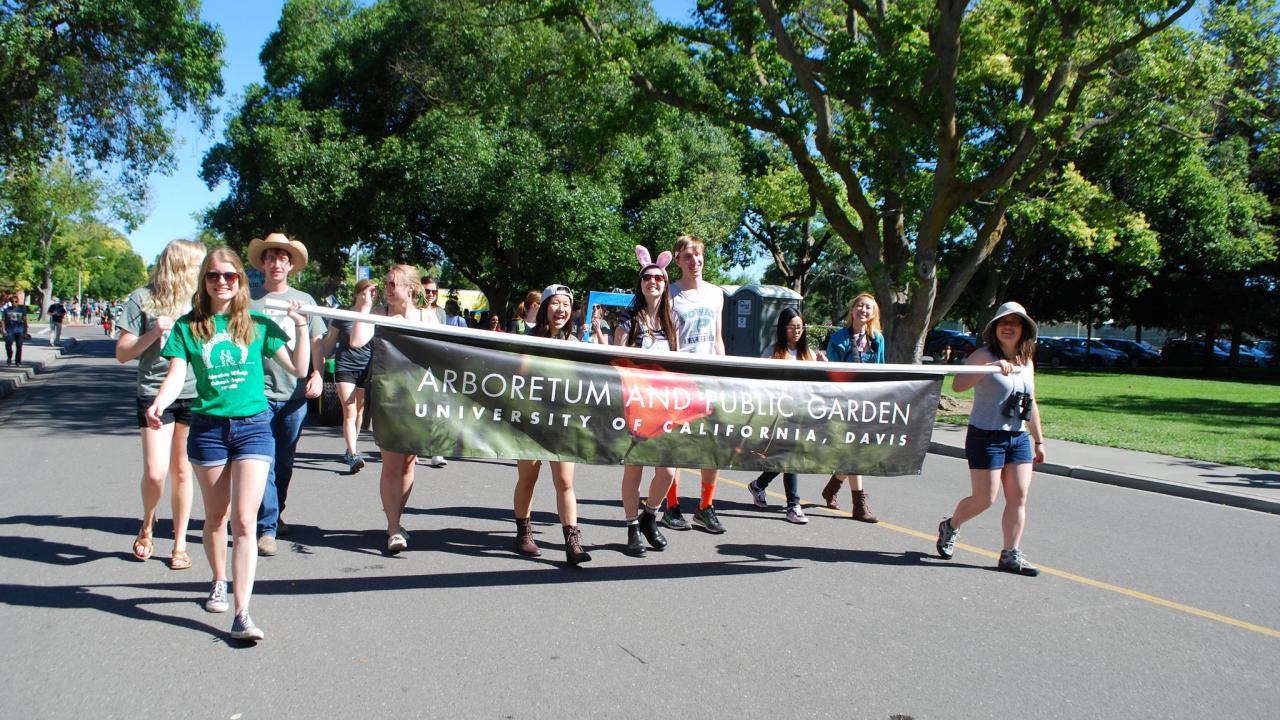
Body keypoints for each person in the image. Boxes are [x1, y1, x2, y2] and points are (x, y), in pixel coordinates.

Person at [148, 246, 311, 641]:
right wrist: (160, 402)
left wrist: (302, 328)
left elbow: (300, 368)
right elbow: (175, 375)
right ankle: (218, 579)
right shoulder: (190, 327)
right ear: (204, 281)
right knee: (216, 519)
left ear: (240, 281)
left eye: (229, 276)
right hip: (208, 428)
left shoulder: (255, 323)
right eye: (214, 276)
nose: (222, 282)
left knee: (244, 521)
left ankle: (243, 612)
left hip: (254, 425)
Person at [936, 301, 1045, 577]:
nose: (1009, 327)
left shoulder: (1026, 361)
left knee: (1019, 496)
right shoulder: (983, 356)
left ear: (1023, 329)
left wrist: (1039, 441)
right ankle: (951, 525)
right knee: (985, 498)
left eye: (1015, 323)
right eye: (1003, 323)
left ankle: (1010, 554)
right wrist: (991, 369)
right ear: (995, 328)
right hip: (985, 436)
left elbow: (1030, 402)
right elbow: (958, 386)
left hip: (1018, 437)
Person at [115, 238, 206, 570]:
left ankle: (180, 543)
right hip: (154, 393)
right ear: (179, 266)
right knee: (155, 473)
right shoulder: (142, 299)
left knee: (183, 471)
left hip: (195, 394)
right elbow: (123, 354)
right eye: (197, 265)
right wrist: (153, 333)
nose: (202, 271)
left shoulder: (201, 303)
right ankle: (148, 521)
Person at [349, 265, 439, 553]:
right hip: (388, 396)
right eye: (385, 283)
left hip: (419, 397)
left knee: (409, 463)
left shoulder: (427, 315)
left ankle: (396, 520)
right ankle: (392, 527)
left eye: (392, 283)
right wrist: (364, 306)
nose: (386, 288)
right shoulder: (379, 315)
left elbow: (443, 351)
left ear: (411, 288)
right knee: (391, 464)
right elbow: (356, 341)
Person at [247, 233, 327, 556]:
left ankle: (275, 512)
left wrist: (318, 374)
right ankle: (266, 528)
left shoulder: (304, 299)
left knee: (284, 462)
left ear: (291, 265)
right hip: (257, 393)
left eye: (283, 258)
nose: (276, 263)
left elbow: (318, 341)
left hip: (294, 394)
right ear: (263, 263)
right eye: (271, 257)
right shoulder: (249, 299)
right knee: (262, 460)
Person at [510, 284, 592, 565]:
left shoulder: (575, 344)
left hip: (562, 422)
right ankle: (523, 532)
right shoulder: (529, 339)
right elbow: (517, 377)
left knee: (565, 482)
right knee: (528, 478)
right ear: (545, 307)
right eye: (556, 303)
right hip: (531, 421)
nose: (562, 310)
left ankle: (573, 543)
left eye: (567, 305)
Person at [612, 246, 679, 556]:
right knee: (634, 469)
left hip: (665, 403)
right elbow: (616, 358)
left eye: (659, 278)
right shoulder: (628, 318)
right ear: (640, 284)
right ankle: (631, 528)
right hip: (637, 402)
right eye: (648, 277)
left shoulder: (672, 318)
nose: (653, 282)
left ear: (665, 284)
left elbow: (679, 362)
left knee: (668, 470)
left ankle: (650, 515)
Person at [662, 235, 728, 534]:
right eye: (688, 256)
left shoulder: (716, 294)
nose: (695, 261)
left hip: (709, 377)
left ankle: (705, 506)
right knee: (674, 447)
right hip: (680, 380)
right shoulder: (671, 294)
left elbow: (717, 337)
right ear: (678, 260)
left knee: (711, 447)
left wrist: (724, 373)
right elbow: (669, 339)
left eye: (698, 255)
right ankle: (671, 506)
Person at [746, 307, 815, 524]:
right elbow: (763, 384)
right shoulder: (772, 352)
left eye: (800, 327)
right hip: (778, 416)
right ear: (782, 328)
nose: (796, 331)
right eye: (792, 327)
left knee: (786, 459)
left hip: (801, 414)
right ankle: (793, 505)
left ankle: (759, 485)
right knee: (789, 458)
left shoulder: (809, 354)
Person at [822, 292, 886, 522]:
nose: (863, 310)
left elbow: (880, 371)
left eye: (868, 307)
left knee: (854, 452)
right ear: (852, 310)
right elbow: (831, 373)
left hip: (866, 405)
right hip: (843, 404)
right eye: (859, 305)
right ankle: (859, 505)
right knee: (854, 452)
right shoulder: (838, 338)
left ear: (874, 313)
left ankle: (832, 488)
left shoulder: (877, 339)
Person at [320, 278, 377, 473]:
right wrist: (318, 368)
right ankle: (353, 455)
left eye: (372, 293)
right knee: (349, 411)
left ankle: (351, 448)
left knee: (359, 412)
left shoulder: (376, 316)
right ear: (357, 293)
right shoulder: (343, 313)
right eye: (365, 292)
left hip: (365, 368)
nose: (369, 296)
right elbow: (329, 342)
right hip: (345, 365)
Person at [3, 294, 28, 365]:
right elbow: (2, 320)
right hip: (10, 330)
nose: (14, 303)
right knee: (8, 345)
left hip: (19, 330)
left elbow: (25, 320)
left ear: (18, 301)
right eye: (12, 301)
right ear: (10, 302)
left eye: (16, 301)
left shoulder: (21, 310)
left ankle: (18, 361)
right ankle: (9, 357)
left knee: (19, 346)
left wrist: (26, 331)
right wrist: (3, 330)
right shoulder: (7, 310)